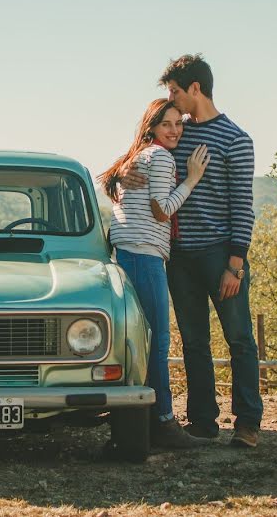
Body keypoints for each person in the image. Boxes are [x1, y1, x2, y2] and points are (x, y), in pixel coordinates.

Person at [132, 53, 263, 448]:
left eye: (174, 90)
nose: (171, 98)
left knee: (239, 338)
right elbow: (139, 154)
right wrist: (124, 171)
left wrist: (235, 266)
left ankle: (248, 424)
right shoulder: (176, 132)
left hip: (221, 254)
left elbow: (243, 205)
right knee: (193, 341)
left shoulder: (237, 140)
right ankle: (204, 421)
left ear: (195, 89)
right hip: (179, 255)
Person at [98, 98, 210, 449]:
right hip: (145, 256)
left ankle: (144, 418)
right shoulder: (160, 157)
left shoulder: (137, 156)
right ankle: (163, 421)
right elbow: (162, 211)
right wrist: (192, 179)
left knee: (138, 342)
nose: (175, 130)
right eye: (168, 125)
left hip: (127, 253)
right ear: (153, 128)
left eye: (179, 124)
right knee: (157, 342)